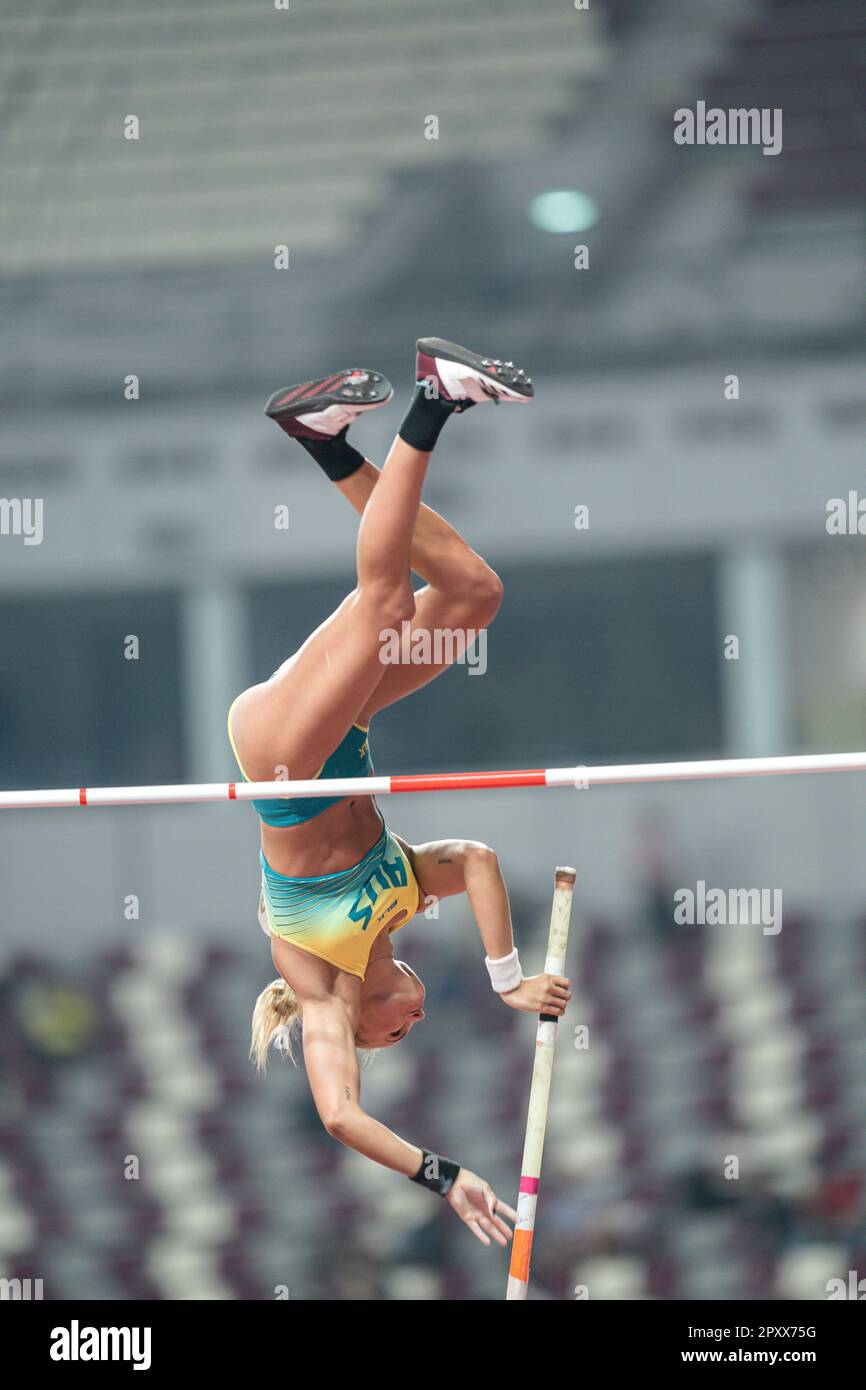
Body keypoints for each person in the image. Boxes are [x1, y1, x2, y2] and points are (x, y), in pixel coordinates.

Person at [228, 338, 571, 1246]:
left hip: (284, 762)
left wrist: (443, 1175)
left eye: (402, 1037)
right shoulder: (404, 900)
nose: (414, 1022)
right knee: (469, 593)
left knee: (385, 604)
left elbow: (341, 1118)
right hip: (337, 738)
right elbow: (479, 861)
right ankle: (325, 438)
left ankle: (434, 400)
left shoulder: (320, 988)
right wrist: (507, 980)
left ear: (369, 1033)